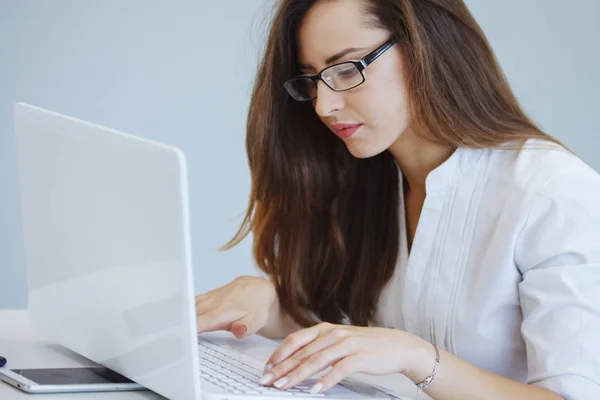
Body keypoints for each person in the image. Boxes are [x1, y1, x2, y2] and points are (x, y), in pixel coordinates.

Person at [195, 1, 600, 399]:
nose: (324, 104)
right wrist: (270, 302)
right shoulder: (367, 180)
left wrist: (416, 357)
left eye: (347, 69)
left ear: (427, 46)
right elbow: (339, 323)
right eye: (312, 79)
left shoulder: (553, 192)